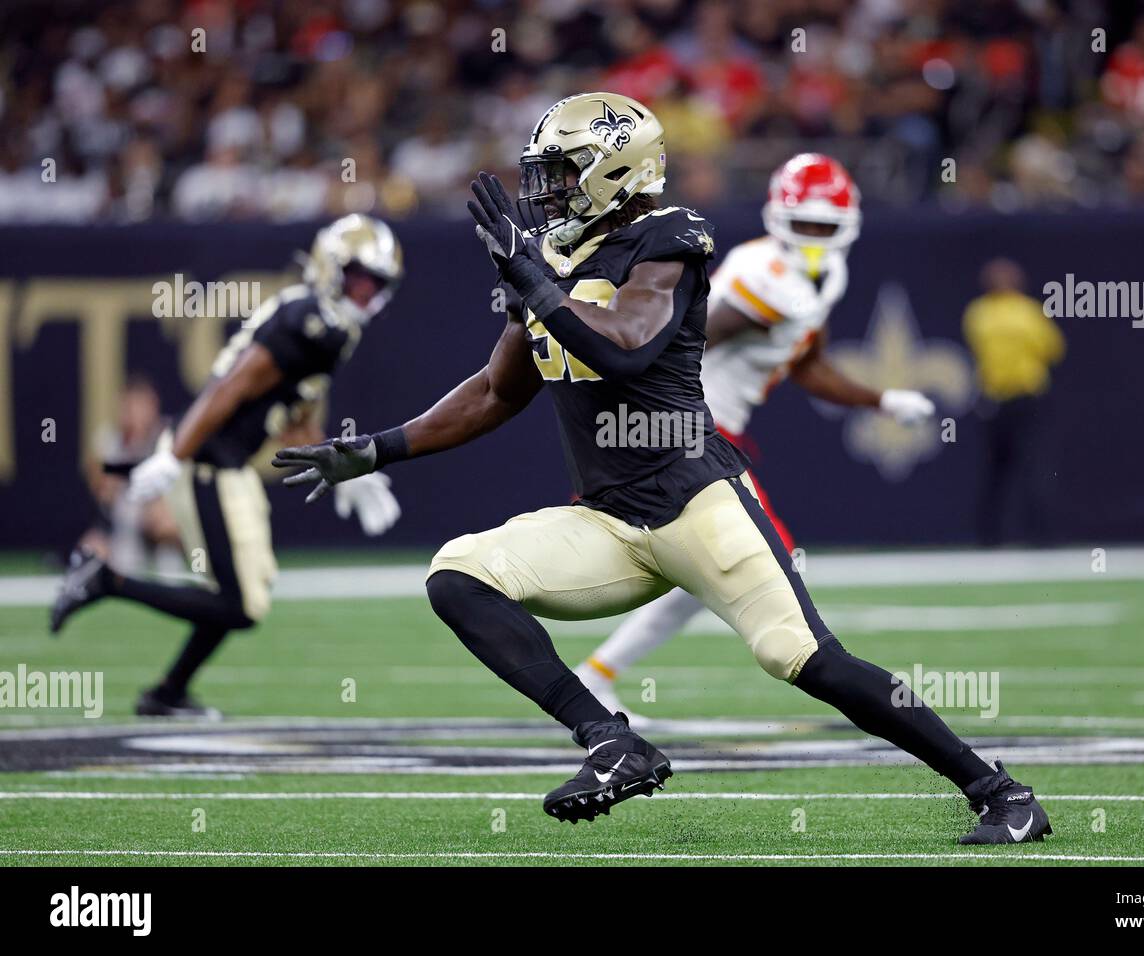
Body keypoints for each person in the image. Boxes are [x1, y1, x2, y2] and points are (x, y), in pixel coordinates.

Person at [274, 94, 1050, 844]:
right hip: (609, 517)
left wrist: (534, 282)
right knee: (459, 577)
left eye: (565, 169)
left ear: (617, 170)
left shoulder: (670, 237)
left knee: (804, 658)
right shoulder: (549, 257)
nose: (547, 190)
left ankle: (1001, 792)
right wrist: (373, 449)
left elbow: (625, 345)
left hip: (695, 502)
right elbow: (491, 393)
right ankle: (612, 743)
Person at [574, 153, 934, 720]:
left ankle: (596, 675)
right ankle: (823, 669)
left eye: (824, 225)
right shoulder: (761, 275)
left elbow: (807, 365)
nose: (814, 237)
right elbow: (671, 344)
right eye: (806, 223)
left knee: (711, 566)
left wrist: (881, 399)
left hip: (710, 430)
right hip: (689, 430)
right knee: (761, 557)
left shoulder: (825, 276)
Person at [49, 215, 405, 718]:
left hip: (221, 462)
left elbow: (295, 409)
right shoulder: (309, 318)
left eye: (378, 285)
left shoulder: (332, 326)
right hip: (208, 461)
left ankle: (168, 693)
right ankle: (106, 581)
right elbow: (230, 387)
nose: (367, 294)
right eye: (360, 279)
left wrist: (338, 467)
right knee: (242, 604)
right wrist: (174, 456)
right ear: (332, 266)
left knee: (242, 589)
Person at [962, 257, 1065, 545]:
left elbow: (1053, 349)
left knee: (1027, 468)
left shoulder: (989, 312)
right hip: (1002, 398)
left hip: (1019, 399)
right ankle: (995, 537)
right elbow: (1051, 349)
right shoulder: (1017, 312)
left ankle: (1036, 536)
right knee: (1003, 469)